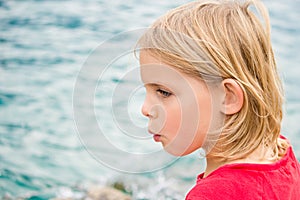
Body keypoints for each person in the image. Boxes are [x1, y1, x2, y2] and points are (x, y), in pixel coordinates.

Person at [136, 0, 300, 199]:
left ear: (227, 97)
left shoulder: (212, 195)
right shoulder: (281, 152)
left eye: (163, 92)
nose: (145, 109)